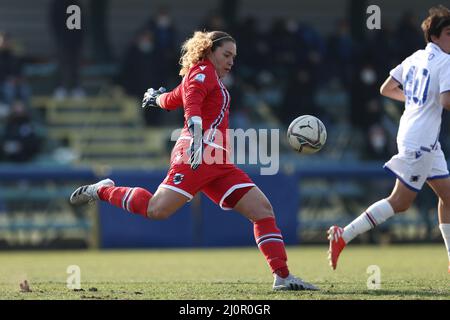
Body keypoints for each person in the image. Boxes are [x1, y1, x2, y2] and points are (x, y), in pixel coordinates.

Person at [70, 30, 318, 291]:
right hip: (196, 154)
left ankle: (282, 276)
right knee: (157, 209)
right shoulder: (203, 71)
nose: (232, 61)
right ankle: (102, 189)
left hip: (218, 162)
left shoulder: (207, 77)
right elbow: (193, 105)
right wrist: (197, 133)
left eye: (234, 56)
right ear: (210, 51)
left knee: (262, 211)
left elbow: (176, 98)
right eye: (226, 54)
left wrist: (156, 99)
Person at [328, 5, 450, 273]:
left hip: (419, 135)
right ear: (436, 36)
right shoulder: (445, 61)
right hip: (420, 140)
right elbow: (446, 100)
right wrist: (423, 102)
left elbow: (386, 88)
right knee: (400, 202)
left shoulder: (415, 57)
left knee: (448, 196)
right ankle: (343, 235)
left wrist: (416, 102)